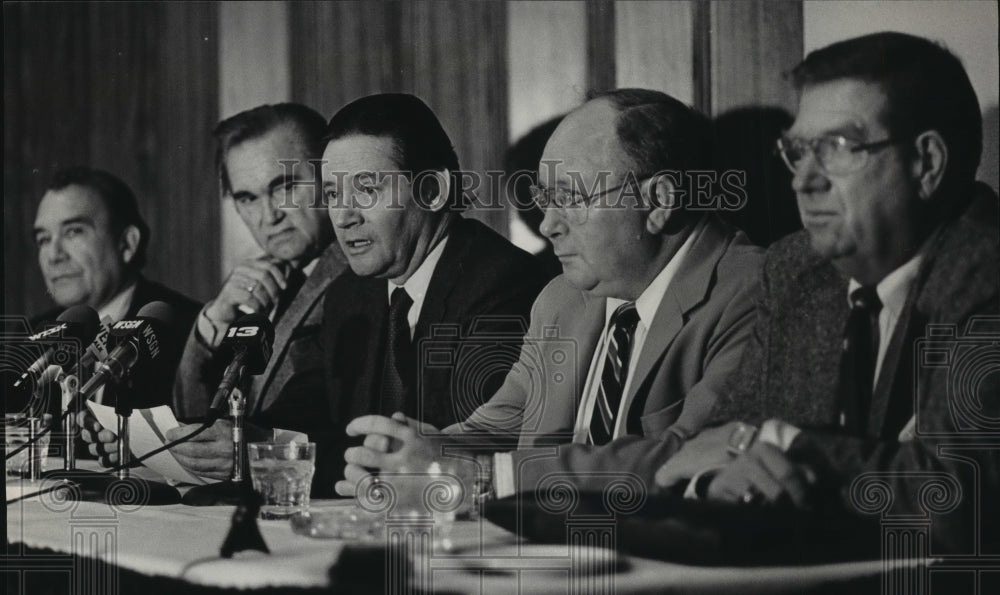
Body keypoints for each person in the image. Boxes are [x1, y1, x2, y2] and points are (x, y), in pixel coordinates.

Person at [655, 32, 999, 554]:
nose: (802, 181)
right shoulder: (796, 269)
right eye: (798, 151)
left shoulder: (986, 269)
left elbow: (955, 502)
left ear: (926, 163)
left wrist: (787, 443)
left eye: (837, 148)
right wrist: (717, 482)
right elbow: (719, 444)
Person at [339, 89, 763, 500]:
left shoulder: (754, 293)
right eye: (544, 199)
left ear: (658, 201)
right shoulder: (564, 298)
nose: (547, 226)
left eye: (569, 198)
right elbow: (498, 426)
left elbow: (698, 454)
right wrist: (408, 458)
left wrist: (483, 476)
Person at [315, 93, 550, 495]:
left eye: (366, 190)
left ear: (434, 190)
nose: (343, 216)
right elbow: (340, 436)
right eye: (333, 195)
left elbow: (449, 441)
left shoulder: (503, 283)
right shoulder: (347, 296)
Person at [29, 167, 200, 453]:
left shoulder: (190, 331)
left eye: (73, 232)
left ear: (127, 243)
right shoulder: (36, 337)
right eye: (44, 239)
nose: (54, 255)